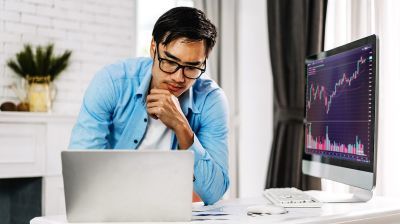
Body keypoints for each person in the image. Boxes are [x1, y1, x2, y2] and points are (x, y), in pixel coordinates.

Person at [69, 7, 229, 205]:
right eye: (170, 62)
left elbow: (214, 193)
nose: (179, 78)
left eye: (192, 67)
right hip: (112, 206)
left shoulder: (211, 100)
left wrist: (182, 128)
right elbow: (81, 171)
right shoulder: (112, 82)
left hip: (171, 210)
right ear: (153, 48)